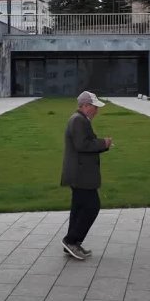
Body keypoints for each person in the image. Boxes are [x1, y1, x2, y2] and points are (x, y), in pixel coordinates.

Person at [60, 90, 112, 260]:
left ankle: (72, 244)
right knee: (92, 206)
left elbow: (84, 144)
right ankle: (71, 241)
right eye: (94, 107)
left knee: (79, 207)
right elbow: (82, 145)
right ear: (85, 106)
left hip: (79, 173)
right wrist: (103, 143)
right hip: (80, 174)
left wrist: (102, 145)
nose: (96, 110)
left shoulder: (80, 120)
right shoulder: (78, 120)